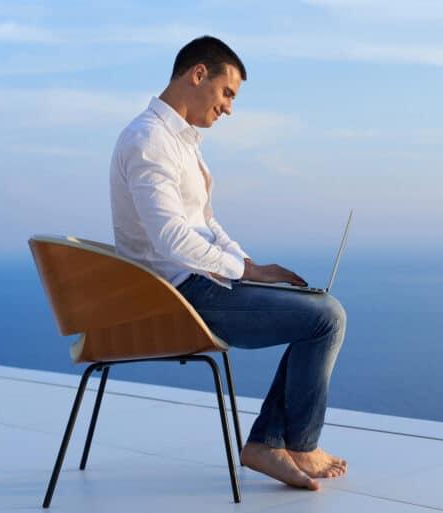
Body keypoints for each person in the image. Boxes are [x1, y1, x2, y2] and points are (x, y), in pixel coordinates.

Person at [109, 36, 347, 490]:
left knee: (317, 308)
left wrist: (250, 265)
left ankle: (273, 442)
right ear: (198, 74)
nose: (229, 109)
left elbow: (205, 223)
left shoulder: (180, 141)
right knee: (326, 318)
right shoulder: (149, 140)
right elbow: (171, 238)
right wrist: (241, 272)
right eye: (227, 93)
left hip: (197, 283)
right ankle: (289, 443)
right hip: (177, 297)